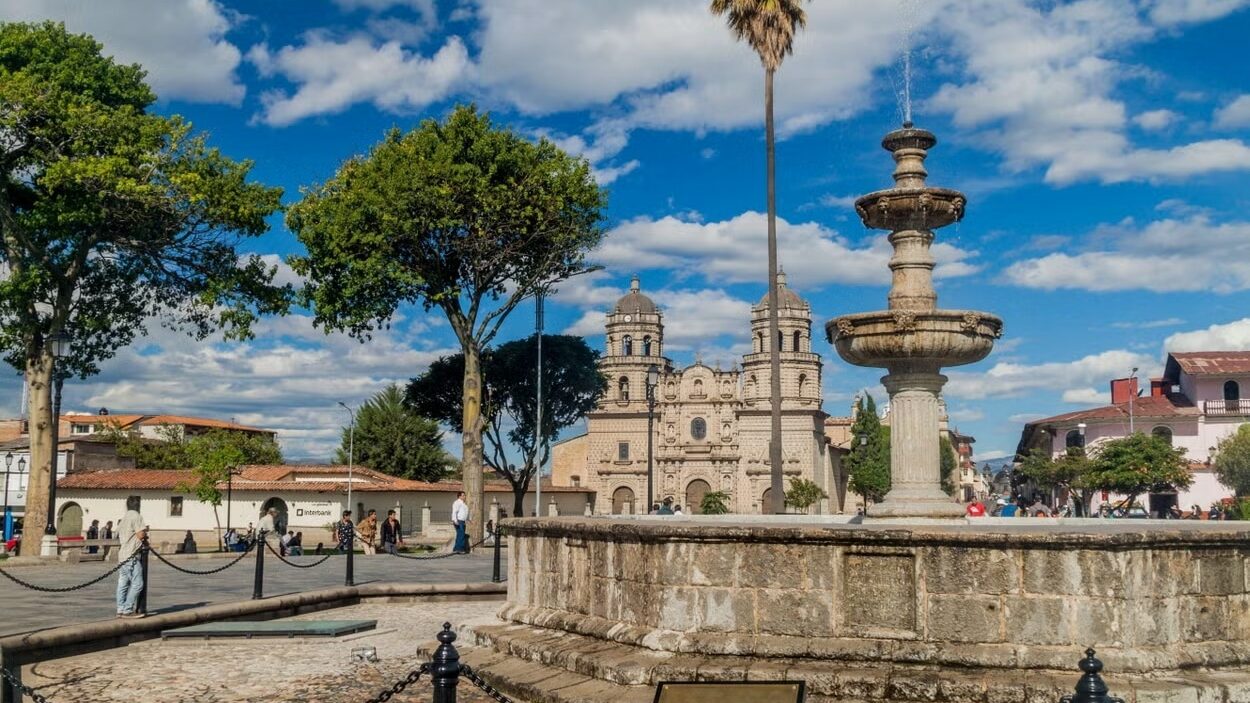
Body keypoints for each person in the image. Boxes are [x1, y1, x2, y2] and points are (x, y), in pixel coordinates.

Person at [115, 495, 147, 619]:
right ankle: (128, 609)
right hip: (131, 555)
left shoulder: (124, 518)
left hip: (122, 554)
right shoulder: (136, 516)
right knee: (138, 583)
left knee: (123, 583)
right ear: (138, 505)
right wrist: (145, 532)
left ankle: (120, 608)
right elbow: (140, 534)